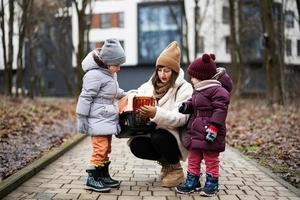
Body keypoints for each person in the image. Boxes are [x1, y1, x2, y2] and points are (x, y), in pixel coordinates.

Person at [127, 41, 193, 187]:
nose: (162, 74)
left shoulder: (184, 88)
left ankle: (176, 170)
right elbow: (136, 94)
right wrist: (125, 99)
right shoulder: (149, 85)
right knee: (137, 145)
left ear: (174, 71)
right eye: (160, 69)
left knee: (159, 137)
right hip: (152, 131)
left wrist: (156, 112)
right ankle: (166, 164)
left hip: (173, 135)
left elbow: (181, 118)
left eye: (167, 71)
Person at [175, 53, 233, 196]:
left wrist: (213, 128)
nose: (191, 79)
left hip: (210, 131)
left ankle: (212, 183)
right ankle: (192, 181)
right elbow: (193, 103)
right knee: (193, 157)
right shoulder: (199, 89)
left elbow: (220, 110)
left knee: (211, 158)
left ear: (202, 76)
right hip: (195, 131)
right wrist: (186, 106)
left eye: (193, 76)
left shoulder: (218, 90)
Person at [76, 39, 126, 192]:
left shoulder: (109, 73)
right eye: (117, 65)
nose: (119, 68)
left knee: (107, 148)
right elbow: (85, 98)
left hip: (106, 118)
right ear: (107, 62)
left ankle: (103, 175)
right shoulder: (94, 75)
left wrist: (126, 94)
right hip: (97, 119)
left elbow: (112, 91)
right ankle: (92, 179)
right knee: (100, 149)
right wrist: (81, 118)